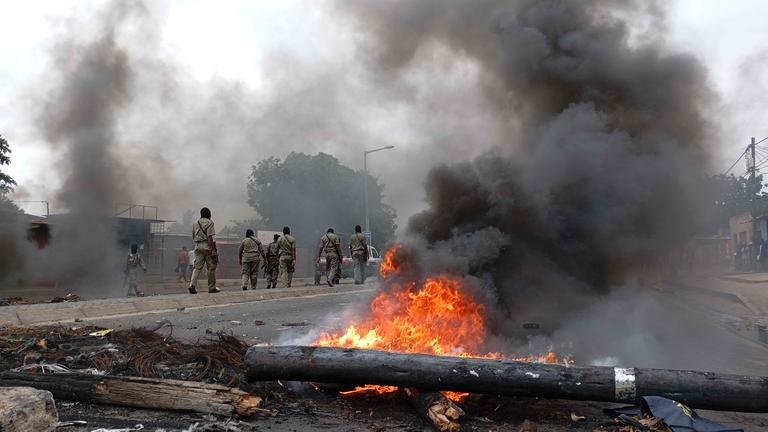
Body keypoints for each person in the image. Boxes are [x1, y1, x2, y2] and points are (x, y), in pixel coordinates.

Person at [189, 207, 219, 294]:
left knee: (197, 267)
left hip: (197, 246)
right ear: (208, 214)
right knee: (211, 267)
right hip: (207, 246)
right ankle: (211, 287)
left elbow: (193, 236)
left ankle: (192, 285)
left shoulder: (195, 223)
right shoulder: (210, 223)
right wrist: (213, 250)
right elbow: (210, 237)